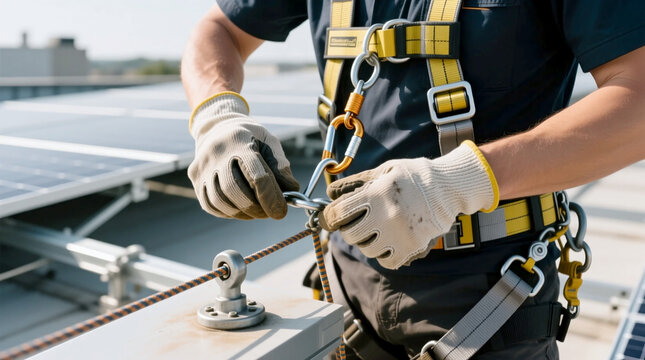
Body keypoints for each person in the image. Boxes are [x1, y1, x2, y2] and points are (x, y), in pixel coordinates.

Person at [181, 1, 645, 358]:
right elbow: (218, 29)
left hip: (491, 292)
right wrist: (217, 118)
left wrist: (458, 183)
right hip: (344, 279)